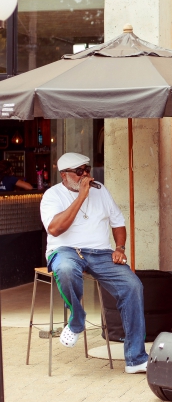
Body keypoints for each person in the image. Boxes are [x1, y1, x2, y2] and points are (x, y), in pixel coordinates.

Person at [40, 152, 148, 374]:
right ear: (64, 174)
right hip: (66, 250)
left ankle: (136, 358)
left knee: (133, 286)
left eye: (86, 169)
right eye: (79, 172)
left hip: (100, 253)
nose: (85, 174)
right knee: (66, 269)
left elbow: (118, 223)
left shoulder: (101, 191)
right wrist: (81, 196)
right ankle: (77, 319)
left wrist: (119, 248)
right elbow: (55, 229)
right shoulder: (52, 196)